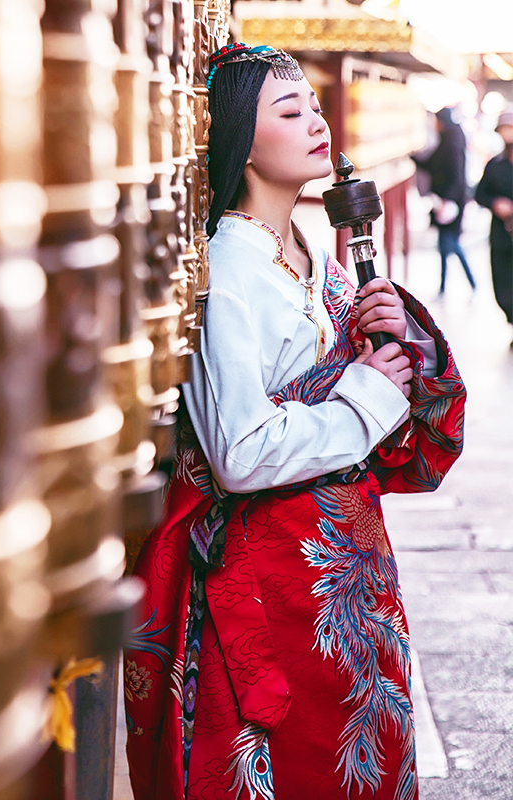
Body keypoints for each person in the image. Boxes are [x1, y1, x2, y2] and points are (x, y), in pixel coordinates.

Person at [123, 44, 466, 800]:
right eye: (290, 110)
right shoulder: (232, 269)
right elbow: (238, 453)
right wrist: (370, 397)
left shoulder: (310, 251)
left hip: (345, 569)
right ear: (241, 138)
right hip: (274, 579)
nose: (317, 122)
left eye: (313, 106)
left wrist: (382, 334)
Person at [412, 107, 476, 297]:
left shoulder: (452, 143)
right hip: (447, 201)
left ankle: (467, 284)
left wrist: (447, 199)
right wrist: (412, 156)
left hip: (451, 203)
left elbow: (455, 175)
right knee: (446, 244)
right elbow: (431, 163)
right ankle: (447, 287)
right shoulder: (449, 139)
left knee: (450, 243)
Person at [475, 109, 513, 339]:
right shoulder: (495, 165)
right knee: (502, 284)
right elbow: (480, 194)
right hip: (502, 235)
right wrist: (495, 203)